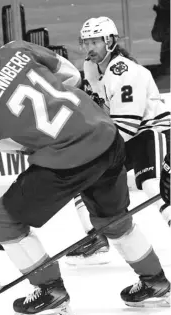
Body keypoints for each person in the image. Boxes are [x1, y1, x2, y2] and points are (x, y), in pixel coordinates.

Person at [0, 21, 170, 315]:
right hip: (105, 137)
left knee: (1, 219)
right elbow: (69, 75)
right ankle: (156, 282)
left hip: (68, 160)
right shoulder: (16, 49)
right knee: (112, 219)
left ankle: (50, 293)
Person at [68, 17, 171, 265]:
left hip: (152, 132)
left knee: (150, 185)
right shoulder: (92, 69)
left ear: (110, 42)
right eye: (86, 42)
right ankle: (97, 238)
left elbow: (126, 125)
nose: (89, 47)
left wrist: (96, 152)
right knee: (82, 178)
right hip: (126, 138)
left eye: (95, 41)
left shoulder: (124, 71)